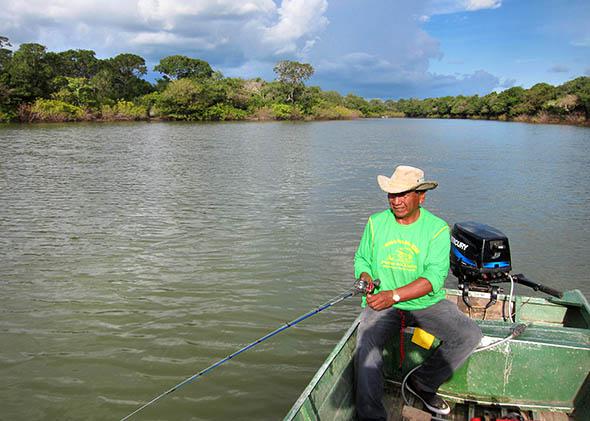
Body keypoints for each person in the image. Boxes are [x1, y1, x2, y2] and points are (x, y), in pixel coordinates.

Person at [354, 165, 482, 419]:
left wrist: (395, 295)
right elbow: (362, 259)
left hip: (426, 302)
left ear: (421, 196)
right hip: (384, 303)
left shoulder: (437, 229)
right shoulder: (376, 223)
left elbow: (433, 279)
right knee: (366, 342)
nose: (396, 201)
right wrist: (366, 277)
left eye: (403, 194)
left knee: (469, 335)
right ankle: (371, 416)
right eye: (392, 194)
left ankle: (423, 382)